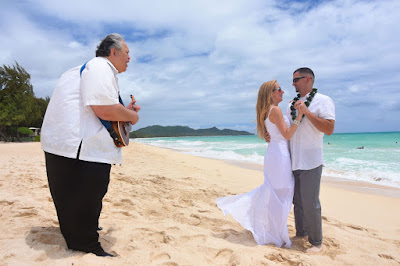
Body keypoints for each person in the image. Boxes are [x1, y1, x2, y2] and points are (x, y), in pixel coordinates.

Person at [41, 33, 140, 257]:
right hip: (80, 147)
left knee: (71, 198)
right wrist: (133, 117)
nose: (129, 58)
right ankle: (86, 245)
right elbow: (103, 108)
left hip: (63, 143)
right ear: (113, 52)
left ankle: (80, 232)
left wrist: (125, 111)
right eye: (127, 53)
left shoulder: (82, 70)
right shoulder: (100, 66)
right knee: (88, 195)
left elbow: (102, 106)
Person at [216, 80, 303, 248]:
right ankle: (276, 233)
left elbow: (271, 132)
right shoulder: (275, 110)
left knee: (276, 192)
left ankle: (275, 231)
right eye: (279, 89)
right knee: (281, 193)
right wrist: (299, 116)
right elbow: (287, 135)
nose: (283, 92)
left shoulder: (266, 111)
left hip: (274, 154)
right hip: (280, 156)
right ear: (270, 93)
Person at [281, 67, 335, 253]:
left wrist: (306, 111)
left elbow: (329, 128)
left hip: (311, 160)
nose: (293, 83)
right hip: (293, 159)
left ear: (308, 79)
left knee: (311, 203)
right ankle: (301, 233)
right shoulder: (291, 104)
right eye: (293, 80)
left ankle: (316, 242)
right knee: (298, 201)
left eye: (296, 79)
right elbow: (286, 128)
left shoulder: (323, 101)